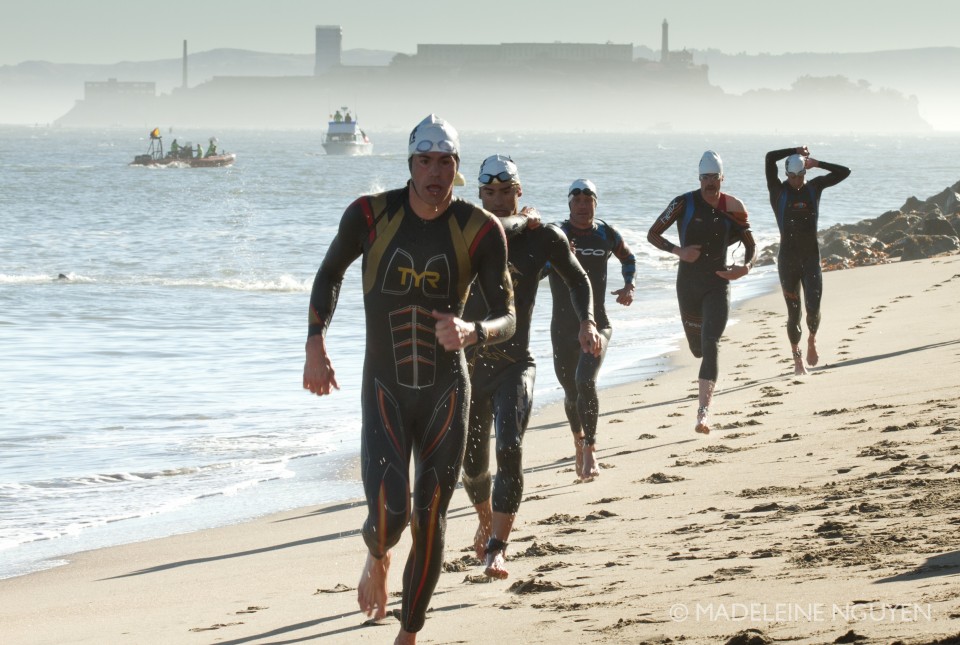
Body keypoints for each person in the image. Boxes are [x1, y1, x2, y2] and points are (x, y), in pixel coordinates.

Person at [303, 114, 515, 645]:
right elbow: (330, 273)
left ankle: (409, 633)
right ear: (410, 164)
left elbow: (508, 317)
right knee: (391, 511)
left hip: (447, 389)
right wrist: (315, 342)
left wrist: (473, 330)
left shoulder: (480, 230)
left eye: (446, 162)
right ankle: (377, 554)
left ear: (457, 168)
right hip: (385, 389)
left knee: (430, 514)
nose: (435, 173)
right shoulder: (371, 215)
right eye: (426, 161)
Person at [461, 155, 600, 579]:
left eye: (507, 192)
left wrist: (587, 321)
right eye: (490, 193)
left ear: (518, 192)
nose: (499, 200)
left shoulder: (544, 238)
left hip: (515, 364)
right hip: (466, 367)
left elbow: (578, 279)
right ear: (479, 194)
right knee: (472, 464)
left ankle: (498, 549)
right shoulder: (463, 235)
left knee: (510, 448)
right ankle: (485, 521)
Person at [647, 150, 756, 434]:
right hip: (688, 285)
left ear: (722, 177)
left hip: (718, 283)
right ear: (699, 178)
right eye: (705, 178)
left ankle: (703, 413)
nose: (710, 183)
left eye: (714, 177)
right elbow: (653, 233)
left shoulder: (733, 205)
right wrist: (678, 251)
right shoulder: (683, 203)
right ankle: (703, 397)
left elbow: (750, 244)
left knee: (711, 342)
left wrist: (746, 267)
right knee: (697, 349)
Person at [549, 179, 636, 480]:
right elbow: (536, 269)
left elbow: (629, 258)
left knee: (585, 380)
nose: (584, 206)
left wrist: (629, 284)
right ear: (570, 204)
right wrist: (557, 256)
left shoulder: (606, 234)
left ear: (596, 204)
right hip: (562, 329)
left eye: (589, 200)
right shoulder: (557, 234)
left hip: (599, 324)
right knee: (571, 392)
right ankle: (578, 440)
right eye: (578, 200)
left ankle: (591, 449)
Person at [765, 146, 851, 375]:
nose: (796, 180)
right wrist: (793, 150)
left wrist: (817, 163)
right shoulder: (778, 191)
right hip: (788, 261)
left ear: (805, 172)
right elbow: (769, 158)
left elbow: (845, 172)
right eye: (792, 176)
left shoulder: (814, 188)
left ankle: (812, 339)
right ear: (786, 175)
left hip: (811, 258)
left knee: (813, 308)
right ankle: (797, 359)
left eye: (800, 175)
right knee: (794, 314)